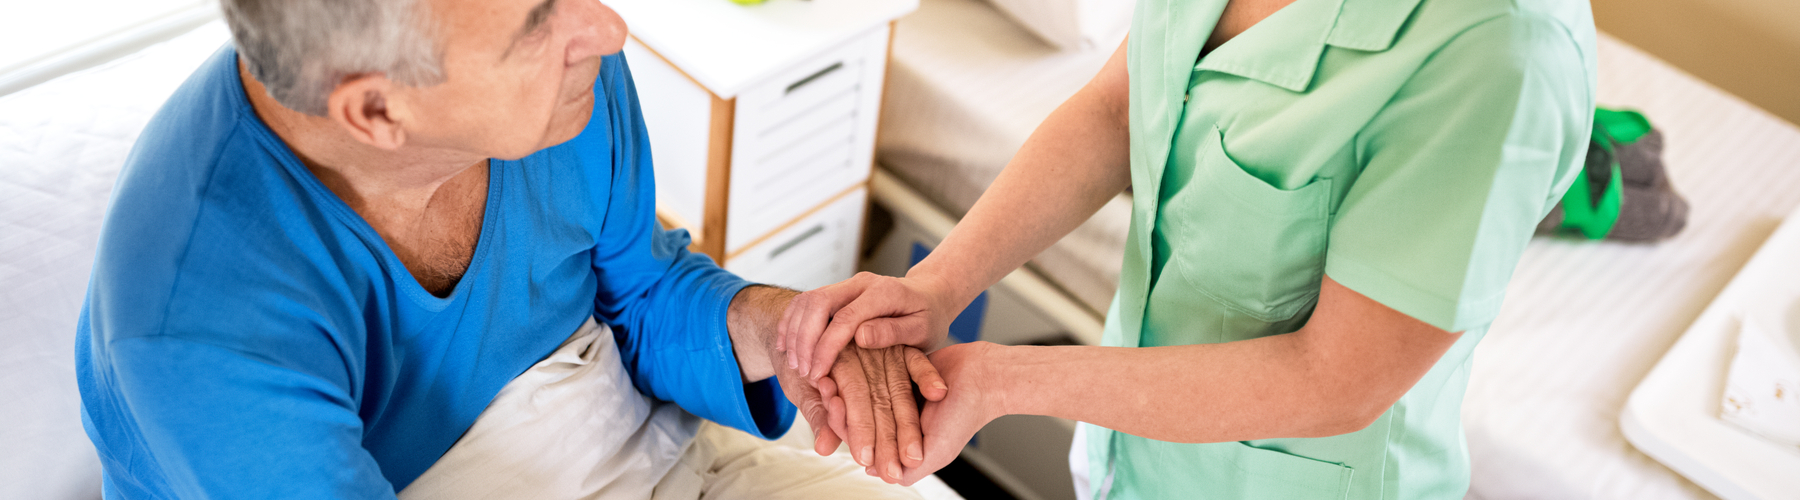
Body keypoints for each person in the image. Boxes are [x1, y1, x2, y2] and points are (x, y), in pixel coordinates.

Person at [73, 0, 936, 497]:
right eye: (536, 24)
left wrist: (774, 328)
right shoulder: (199, 334)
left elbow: (641, 292)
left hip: (646, 449)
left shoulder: (569, 89)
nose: (607, 29)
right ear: (378, 112)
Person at [778, 0, 1597, 496]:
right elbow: (1117, 106)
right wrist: (937, 287)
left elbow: (1336, 379)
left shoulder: (1501, 50)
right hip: (1131, 459)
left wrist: (1000, 380)